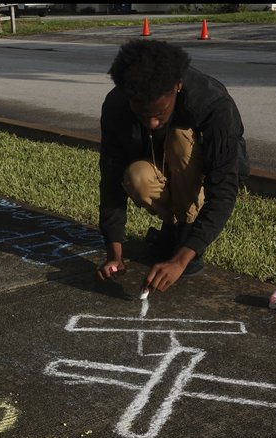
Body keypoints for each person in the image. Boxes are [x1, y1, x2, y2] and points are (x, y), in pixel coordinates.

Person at [96, 40, 249, 296]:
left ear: (177, 86)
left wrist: (181, 260)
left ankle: (185, 235)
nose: (153, 123)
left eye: (160, 112)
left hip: (203, 171)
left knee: (180, 139)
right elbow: (111, 180)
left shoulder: (212, 104)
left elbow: (224, 189)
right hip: (158, 166)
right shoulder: (117, 104)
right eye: (143, 115)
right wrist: (114, 254)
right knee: (137, 177)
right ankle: (172, 230)